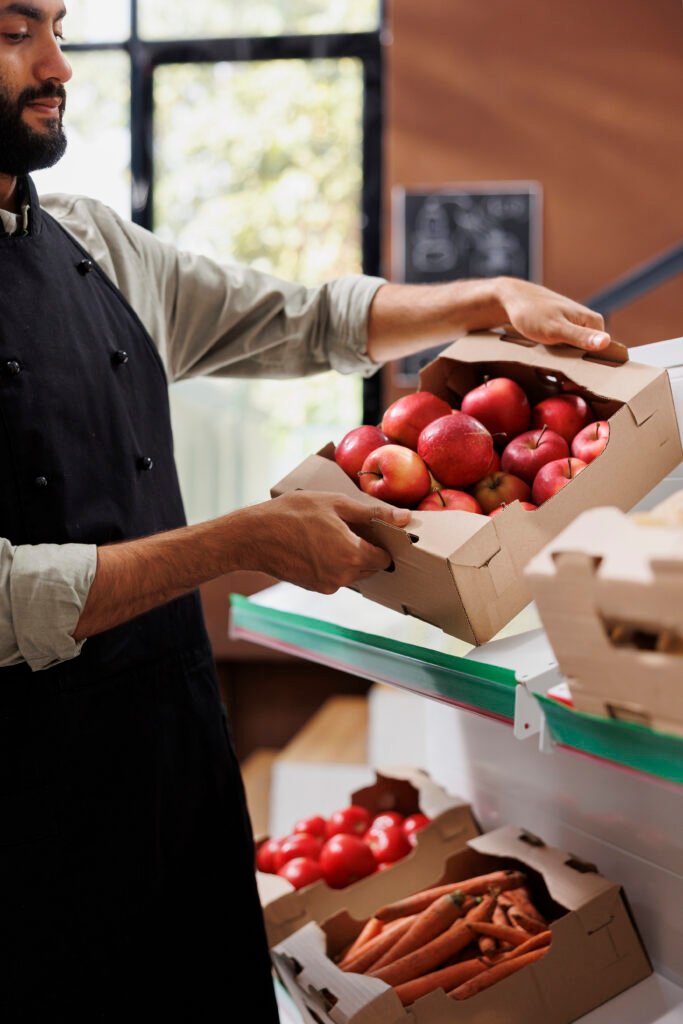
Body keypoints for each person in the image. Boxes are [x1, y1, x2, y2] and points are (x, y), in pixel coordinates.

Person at [0, 2, 612, 1020]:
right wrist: (239, 540)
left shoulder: (88, 241)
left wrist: (486, 301)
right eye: (16, 28)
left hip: (172, 770)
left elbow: (298, 318)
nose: (58, 61)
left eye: (60, 26)